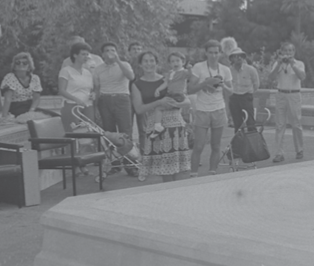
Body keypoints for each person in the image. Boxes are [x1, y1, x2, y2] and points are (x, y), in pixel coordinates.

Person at [130, 51, 190, 182]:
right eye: (145, 61)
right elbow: (139, 109)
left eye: (152, 60)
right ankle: (168, 196)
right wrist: (158, 102)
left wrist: (179, 103)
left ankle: (182, 197)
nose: (149, 64)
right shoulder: (137, 84)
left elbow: (187, 100)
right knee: (165, 168)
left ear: (157, 63)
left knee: (179, 168)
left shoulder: (168, 78)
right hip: (157, 126)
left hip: (175, 123)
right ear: (140, 64)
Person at [188, 40, 231, 176]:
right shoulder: (198, 67)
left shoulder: (225, 69)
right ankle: (193, 174)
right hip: (202, 110)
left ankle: (212, 173)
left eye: (216, 53)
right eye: (211, 52)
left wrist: (223, 86)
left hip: (219, 109)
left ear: (220, 53)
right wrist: (205, 83)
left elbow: (231, 91)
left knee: (216, 145)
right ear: (206, 53)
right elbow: (189, 89)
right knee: (198, 146)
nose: (213, 55)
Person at [265, 42, 309, 162]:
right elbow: (271, 77)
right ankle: (279, 153)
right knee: (279, 125)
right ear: (281, 52)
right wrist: (279, 64)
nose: (288, 53)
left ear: (294, 52)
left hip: (294, 94)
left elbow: (302, 77)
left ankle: (299, 149)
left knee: (296, 124)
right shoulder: (277, 63)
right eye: (285, 51)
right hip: (281, 94)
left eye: (290, 51)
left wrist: (292, 64)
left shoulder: (299, 63)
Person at [92, 42, 135, 140]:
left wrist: (118, 61)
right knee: (108, 131)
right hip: (104, 99)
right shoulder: (98, 69)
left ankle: (127, 153)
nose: (110, 53)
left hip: (122, 98)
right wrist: (96, 106)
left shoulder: (124, 65)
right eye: (107, 51)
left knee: (125, 129)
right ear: (103, 55)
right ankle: (112, 153)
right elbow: (97, 87)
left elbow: (131, 77)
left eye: (113, 50)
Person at [219, 39, 261, 136]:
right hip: (234, 98)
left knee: (250, 123)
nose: (239, 58)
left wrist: (249, 93)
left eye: (241, 56)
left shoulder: (251, 70)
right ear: (232, 58)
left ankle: (253, 144)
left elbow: (256, 84)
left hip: (246, 97)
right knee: (237, 124)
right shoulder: (228, 71)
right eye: (236, 56)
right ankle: (239, 146)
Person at [58, 42, 98, 120]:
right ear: (75, 55)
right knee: (72, 130)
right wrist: (75, 99)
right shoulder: (66, 71)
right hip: (72, 104)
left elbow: (91, 89)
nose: (86, 57)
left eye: (87, 54)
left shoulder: (88, 72)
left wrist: (93, 94)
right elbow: (62, 90)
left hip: (88, 105)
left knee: (90, 130)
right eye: (83, 54)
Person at [0, 52, 42, 117]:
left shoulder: (35, 78)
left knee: (53, 116)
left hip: (30, 107)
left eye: (25, 63)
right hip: (16, 107)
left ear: (29, 66)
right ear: (14, 66)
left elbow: (36, 98)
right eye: (18, 62)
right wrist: (4, 115)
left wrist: (31, 111)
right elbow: (7, 99)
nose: (21, 64)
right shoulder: (10, 77)